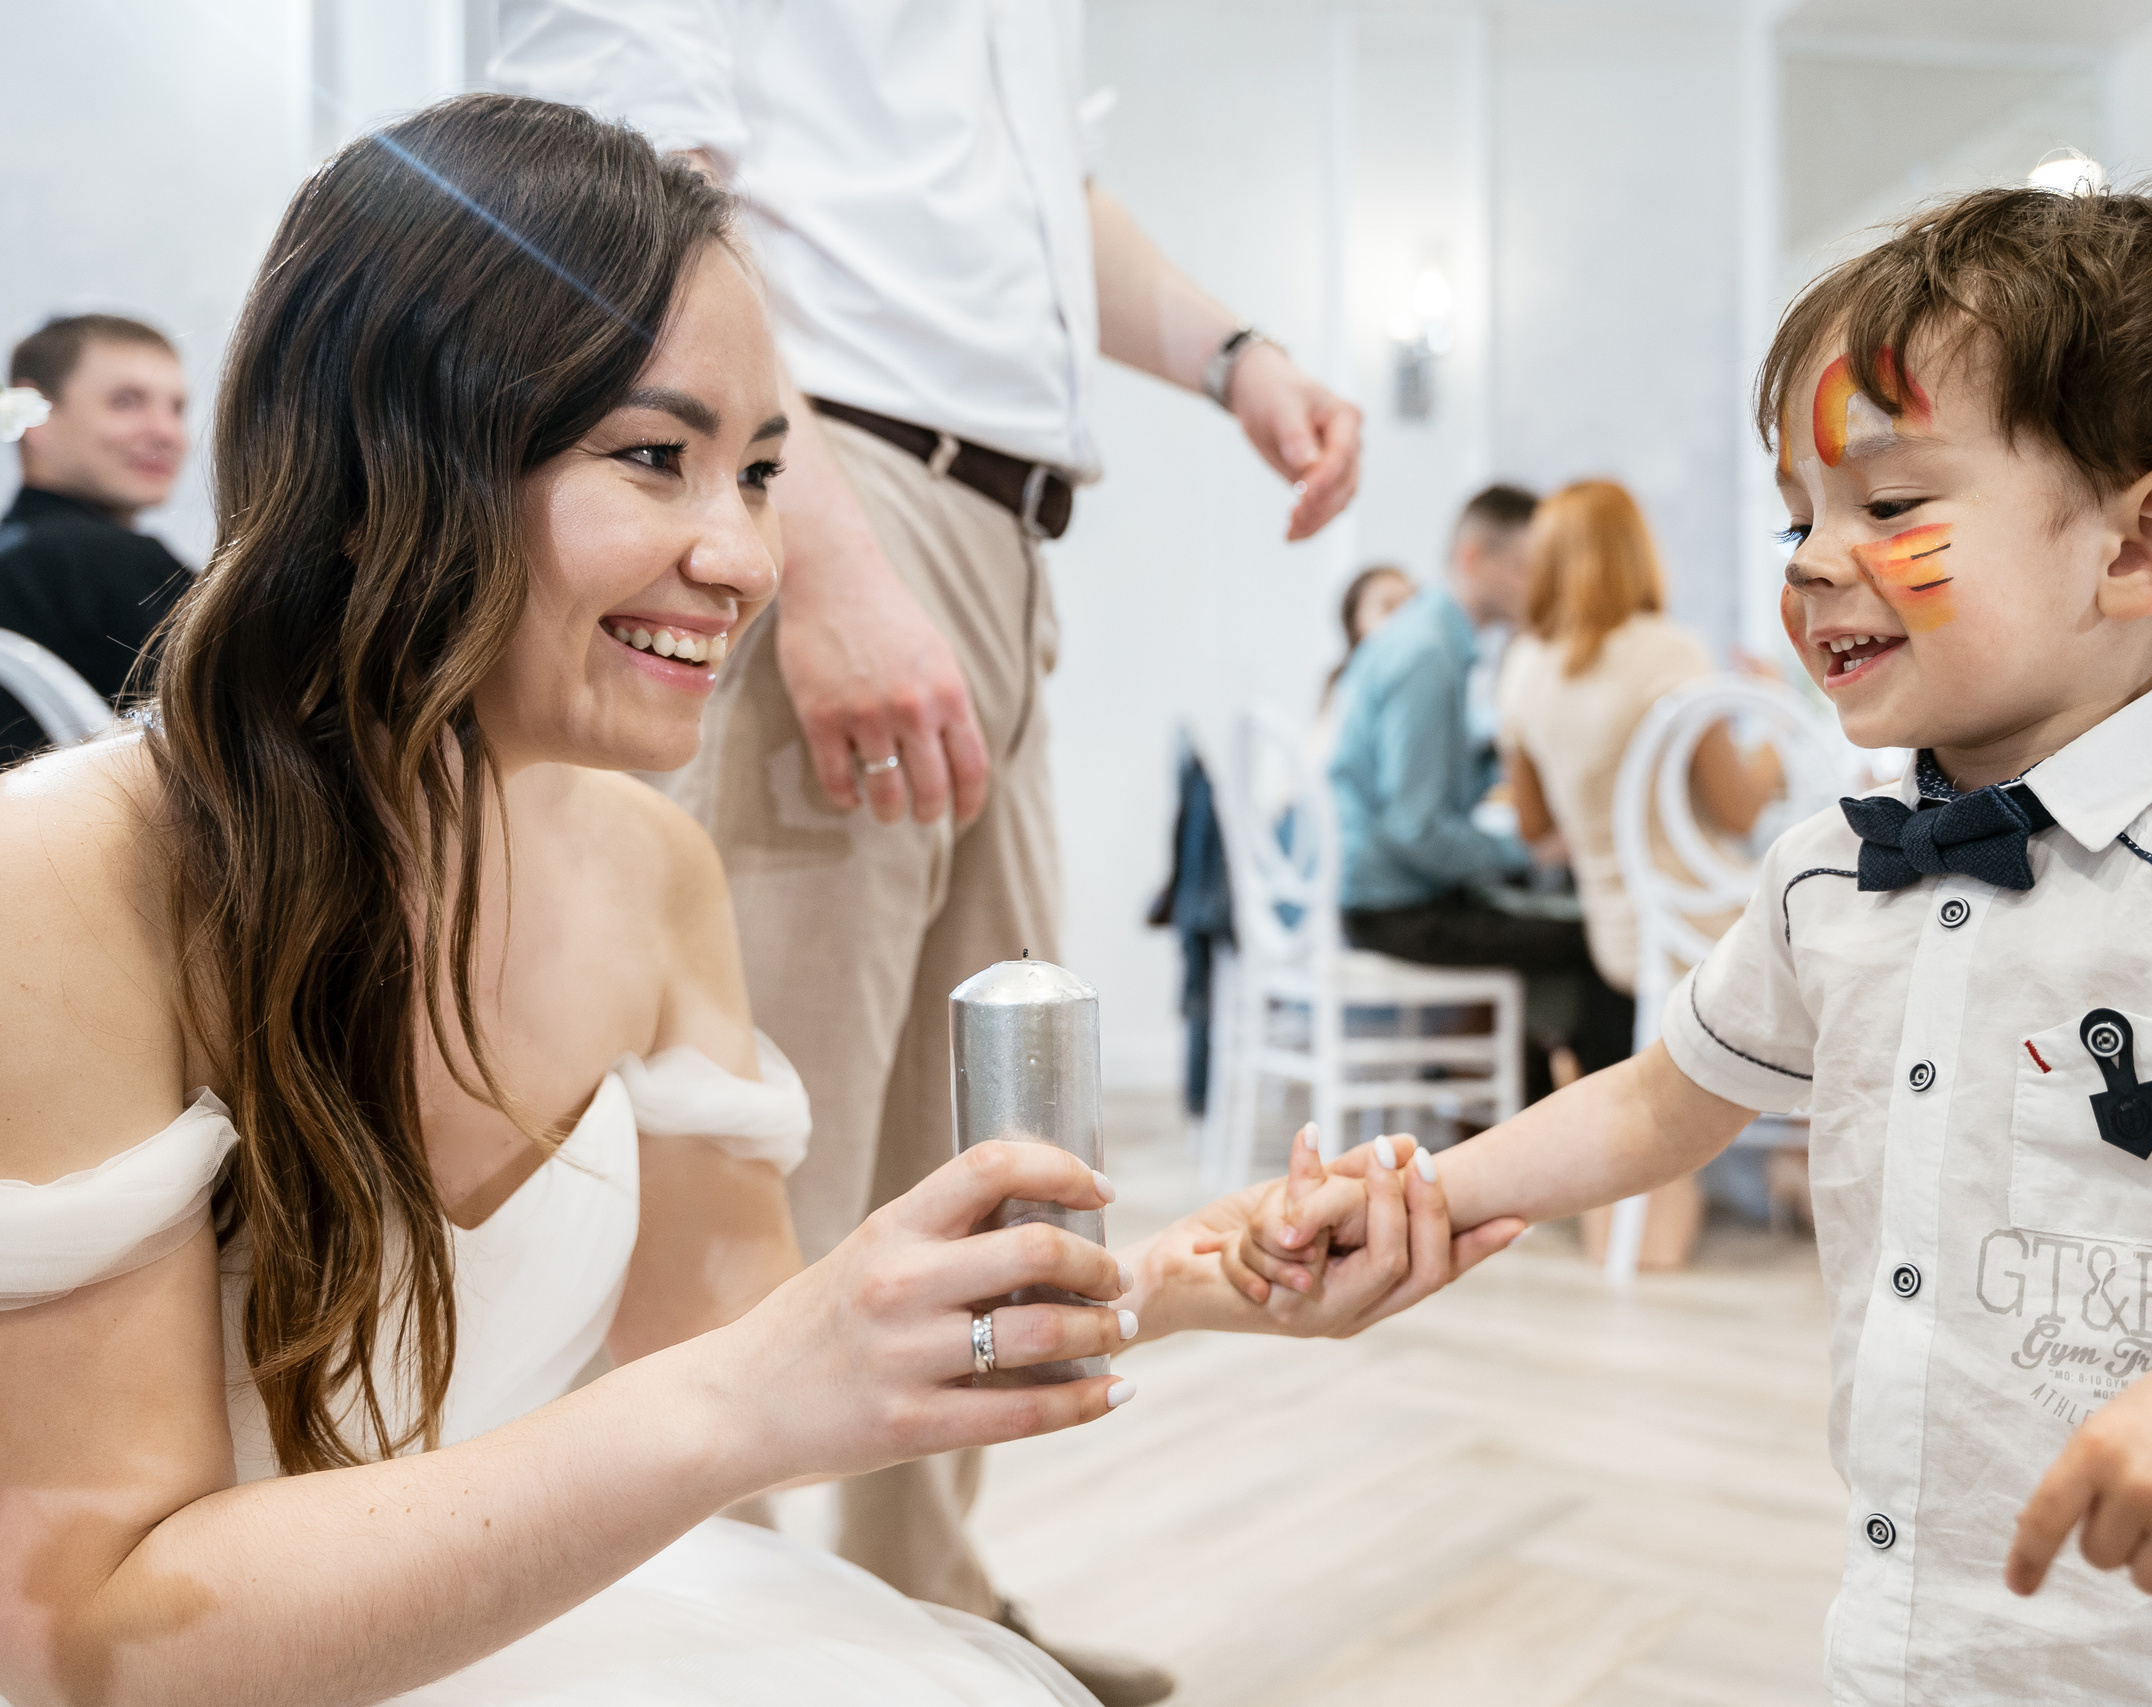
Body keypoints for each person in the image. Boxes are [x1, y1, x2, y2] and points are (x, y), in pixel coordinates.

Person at [0, 95, 1500, 1707]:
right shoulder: (63, 878)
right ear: (392, 449)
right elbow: (86, 1637)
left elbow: (757, 1348)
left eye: (765, 471)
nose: (745, 556)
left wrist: (1185, 1278)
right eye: (656, 459)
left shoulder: (653, 868)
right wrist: (745, 1390)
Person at [1234, 180, 2152, 1704]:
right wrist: (1429, 1191)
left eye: (1889, 503)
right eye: (1800, 512)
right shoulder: (1826, 875)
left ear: (2142, 544)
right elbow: (1664, 1097)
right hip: (1917, 1648)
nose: (1807, 559)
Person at [486, 19, 1361, 1692]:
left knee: (972, 1131)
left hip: (1003, 523)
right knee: (763, 1135)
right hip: (835, 477)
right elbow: (631, 203)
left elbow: (1042, 196)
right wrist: (807, 550)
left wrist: (1236, 352)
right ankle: (686, 1635)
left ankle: (922, 1606)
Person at [1495, 478, 1780, 1264]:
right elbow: (1737, 811)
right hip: (1705, 928)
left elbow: (1534, 828)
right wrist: (1770, 717)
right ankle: (1800, 1161)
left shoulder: (1524, 667)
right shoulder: (1667, 651)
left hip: (1619, 937)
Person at [1329, 483, 1628, 1101]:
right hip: (1393, 908)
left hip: (1387, 896)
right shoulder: (1427, 656)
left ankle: (1551, 1143)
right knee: (1595, 940)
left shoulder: (1428, 642)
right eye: (1526, 569)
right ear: (1473, 559)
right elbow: (1412, 828)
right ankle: (1606, 1154)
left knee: (1556, 926)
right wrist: (1527, 855)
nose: (1539, 586)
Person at [0, 313, 191, 761]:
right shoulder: (99, 562)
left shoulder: (19, 555)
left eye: (177, 408)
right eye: (126, 402)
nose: (165, 433)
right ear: (33, 413)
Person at [1310, 561, 1414, 754]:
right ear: (1356, 621)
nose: (1404, 619)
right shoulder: (1344, 689)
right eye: (1389, 607)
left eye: (1412, 607)